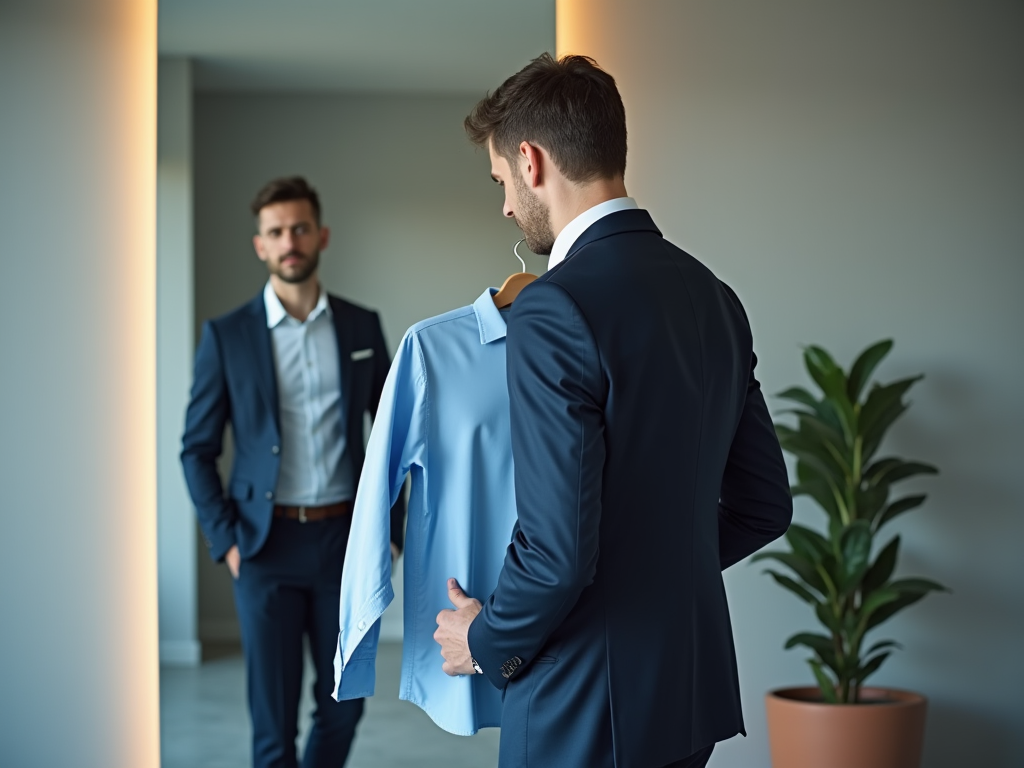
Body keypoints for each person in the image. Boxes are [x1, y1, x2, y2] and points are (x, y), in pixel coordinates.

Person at [433, 54, 793, 768]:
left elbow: (558, 554)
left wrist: (484, 641)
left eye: (502, 180)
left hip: (585, 707)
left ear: (531, 161)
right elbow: (764, 505)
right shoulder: (714, 298)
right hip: (689, 695)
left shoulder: (552, 308)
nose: (506, 205)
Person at [181, 176, 405, 768]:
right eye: (276, 232)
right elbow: (196, 449)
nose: (290, 242)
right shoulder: (226, 337)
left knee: (344, 705)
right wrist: (226, 541)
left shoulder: (361, 326)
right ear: (259, 245)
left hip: (343, 544)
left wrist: (395, 529)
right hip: (263, 548)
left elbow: (397, 437)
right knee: (272, 719)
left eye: (300, 228)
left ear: (321, 235)